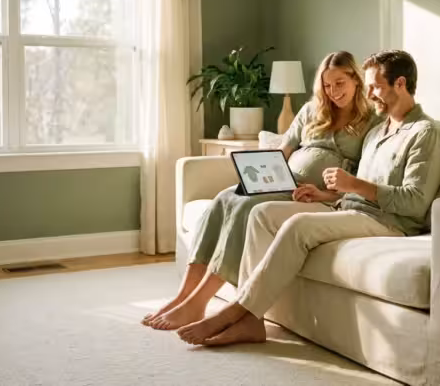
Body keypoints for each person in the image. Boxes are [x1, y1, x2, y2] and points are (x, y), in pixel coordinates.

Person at [176, 49, 440, 346]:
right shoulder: (380, 130)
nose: (371, 94)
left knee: (297, 226)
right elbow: (349, 184)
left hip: (388, 221)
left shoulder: (425, 133)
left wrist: (353, 185)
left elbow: (416, 203)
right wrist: (329, 193)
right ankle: (252, 321)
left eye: (375, 86)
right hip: (346, 207)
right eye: (369, 86)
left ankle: (237, 310)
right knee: (261, 213)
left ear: (400, 84)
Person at [141, 51, 380, 330]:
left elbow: (364, 178)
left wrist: (325, 194)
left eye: (340, 83)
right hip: (284, 180)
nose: (333, 92)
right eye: (327, 85)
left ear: (355, 80)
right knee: (223, 198)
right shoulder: (312, 111)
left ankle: (199, 303)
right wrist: (264, 173)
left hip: (313, 194)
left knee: (244, 207)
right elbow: (283, 149)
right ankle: (183, 297)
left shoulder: (372, 121)